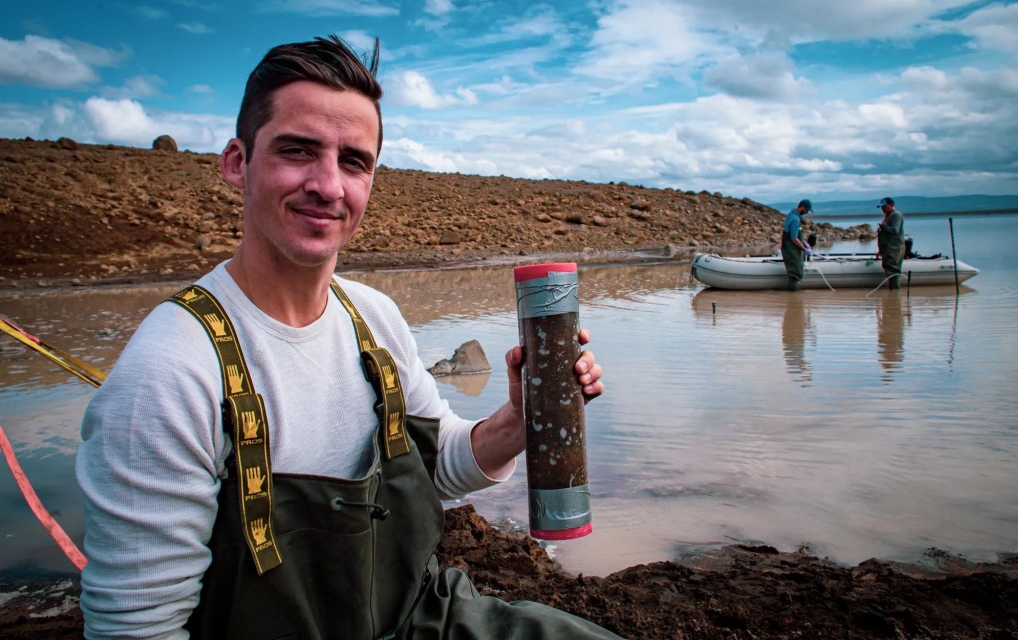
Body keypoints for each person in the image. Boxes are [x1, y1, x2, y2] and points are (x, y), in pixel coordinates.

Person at [75, 35, 620, 639]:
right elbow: (135, 628)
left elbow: (438, 469)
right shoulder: (168, 373)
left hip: (423, 618)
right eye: (297, 150)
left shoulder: (373, 317)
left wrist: (517, 423)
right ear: (236, 162)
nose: (328, 185)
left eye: (354, 161)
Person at [781, 199, 815, 291]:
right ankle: (793, 298)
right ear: (802, 207)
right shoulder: (795, 219)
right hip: (792, 250)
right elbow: (794, 238)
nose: (807, 212)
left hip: (788, 249)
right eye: (807, 210)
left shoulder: (791, 215)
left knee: (794, 271)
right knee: (796, 273)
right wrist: (804, 249)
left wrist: (804, 243)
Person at [875, 196, 905, 289]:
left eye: (884, 206)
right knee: (889, 270)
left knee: (893, 271)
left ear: (890, 205)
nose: (883, 209)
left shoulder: (896, 214)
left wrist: (884, 227)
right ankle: (893, 290)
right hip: (888, 249)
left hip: (894, 249)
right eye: (881, 207)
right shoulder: (888, 215)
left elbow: (895, 230)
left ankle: (895, 294)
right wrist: (880, 250)